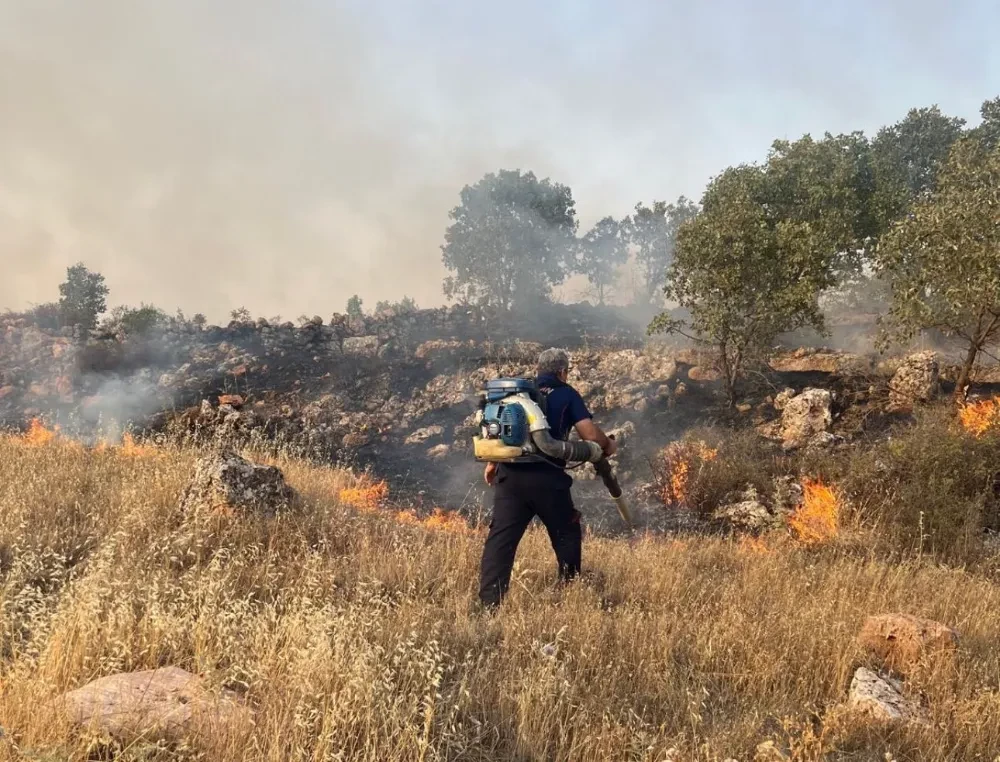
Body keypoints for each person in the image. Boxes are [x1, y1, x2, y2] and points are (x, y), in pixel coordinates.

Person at [478, 348, 617, 610]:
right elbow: (589, 435)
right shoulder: (566, 393)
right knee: (566, 533)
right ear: (563, 371)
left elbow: (501, 432)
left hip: (510, 477)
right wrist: (607, 445)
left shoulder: (516, 393)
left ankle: (488, 605)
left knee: (501, 541)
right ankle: (569, 592)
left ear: (538, 369)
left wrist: (493, 462)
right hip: (548, 478)